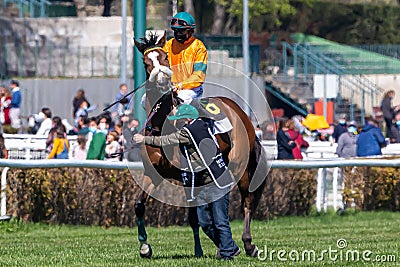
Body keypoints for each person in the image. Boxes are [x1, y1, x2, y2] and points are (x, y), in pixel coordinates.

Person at [133, 104, 240, 260]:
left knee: (220, 222)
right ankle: (230, 247)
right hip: (202, 184)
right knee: (204, 222)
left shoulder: (189, 132)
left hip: (217, 182)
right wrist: (178, 110)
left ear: (188, 119)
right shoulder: (198, 124)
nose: (179, 122)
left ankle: (227, 255)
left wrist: (144, 139)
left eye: (181, 120)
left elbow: (168, 139)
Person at [164, 12, 208, 104]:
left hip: (192, 89)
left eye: (181, 31)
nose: (178, 34)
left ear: (190, 31)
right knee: (145, 99)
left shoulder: (198, 47)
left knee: (180, 98)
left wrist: (181, 85)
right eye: (176, 31)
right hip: (171, 88)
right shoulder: (169, 45)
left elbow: (198, 76)